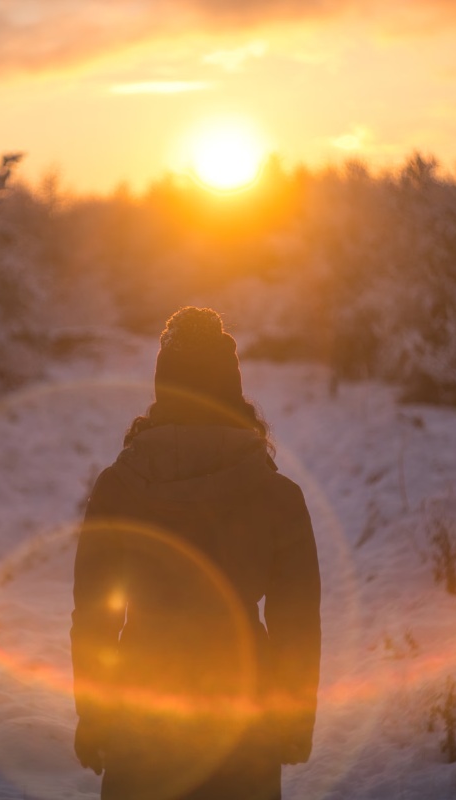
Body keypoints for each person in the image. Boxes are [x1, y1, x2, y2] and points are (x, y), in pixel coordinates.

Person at [71, 307, 321, 800]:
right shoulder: (278, 496)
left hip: (140, 720)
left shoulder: (118, 487)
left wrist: (95, 717)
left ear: (163, 390)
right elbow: (296, 621)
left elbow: (96, 616)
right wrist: (294, 719)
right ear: (232, 391)